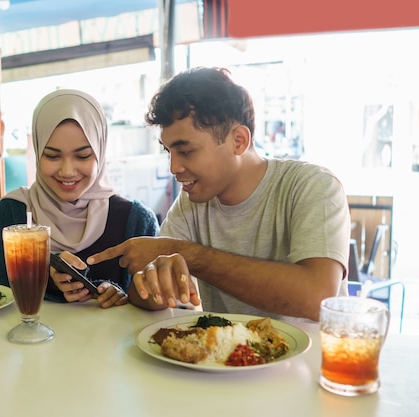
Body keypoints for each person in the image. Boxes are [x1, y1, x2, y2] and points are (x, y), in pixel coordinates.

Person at [87, 67, 351, 321]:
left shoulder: (313, 186)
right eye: (169, 152)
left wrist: (189, 256)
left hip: (310, 365)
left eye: (186, 151)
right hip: (222, 362)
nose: (174, 168)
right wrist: (151, 284)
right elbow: (147, 295)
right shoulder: (192, 203)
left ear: (239, 141)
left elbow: (320, 299)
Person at [0, 89, 159, 308]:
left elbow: (150, 302)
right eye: (52, 156)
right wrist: (48, 280)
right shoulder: (14, 211)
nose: (67, 171)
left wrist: (117, 297)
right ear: (37, 151)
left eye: (82, 156)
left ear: (100, 151)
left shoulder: (136, 219)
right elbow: (5, 298)